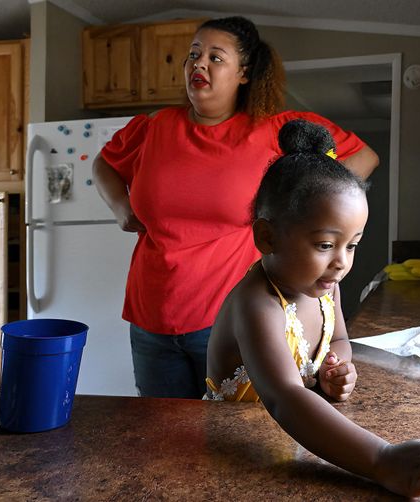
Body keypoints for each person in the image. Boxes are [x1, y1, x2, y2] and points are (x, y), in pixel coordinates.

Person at [92, 16, 379, 398]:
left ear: (243, 73)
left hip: (228, 319)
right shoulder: (154, 127)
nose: (199, 64)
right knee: (160, 440)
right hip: (151, 319)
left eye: (215, 57)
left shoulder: (273, 130)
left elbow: (363, 157)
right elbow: (105, 164)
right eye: (194, 55)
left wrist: (304, 207)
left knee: (232, 435)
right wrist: (120, 207)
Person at [205, 119, 420, 499]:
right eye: (325, 244)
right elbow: (285, 397)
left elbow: (338, 337)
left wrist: (335, 368)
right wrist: (382, 459)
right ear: (267, 236)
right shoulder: (257, 304)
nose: (341, 263)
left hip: (294, 442)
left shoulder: (324, 287)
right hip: (232, 458)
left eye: (351, 245)